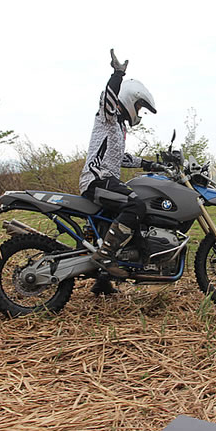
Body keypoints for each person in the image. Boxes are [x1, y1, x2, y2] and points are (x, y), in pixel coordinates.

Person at [79, 49, 159, 294]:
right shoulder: (107, 117)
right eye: (139, 106)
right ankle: (105, 256)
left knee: (107, 226)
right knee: (136, 206)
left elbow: (121, 158)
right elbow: (106, 99)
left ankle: (101, 283)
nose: (139, 111)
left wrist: (149, 164)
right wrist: (117, 75)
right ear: (128, 99)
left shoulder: (118, 128)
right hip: (97, 179)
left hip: (106, 179)